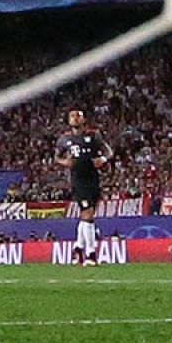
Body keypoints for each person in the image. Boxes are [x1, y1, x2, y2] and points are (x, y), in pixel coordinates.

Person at [56, 109, 113, 266]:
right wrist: (65, 162)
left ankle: (78, 247)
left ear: (84, 119)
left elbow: (108, 151)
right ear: (68, 120)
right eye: (72, 116)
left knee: (87, 215)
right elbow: (57, 157)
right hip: (78, 180)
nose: (76, 118)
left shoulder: (94, 135)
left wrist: (102, 159)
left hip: (93, 178)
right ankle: (91, 254)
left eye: (79, 115)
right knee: (88, 214)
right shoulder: (64, 139)